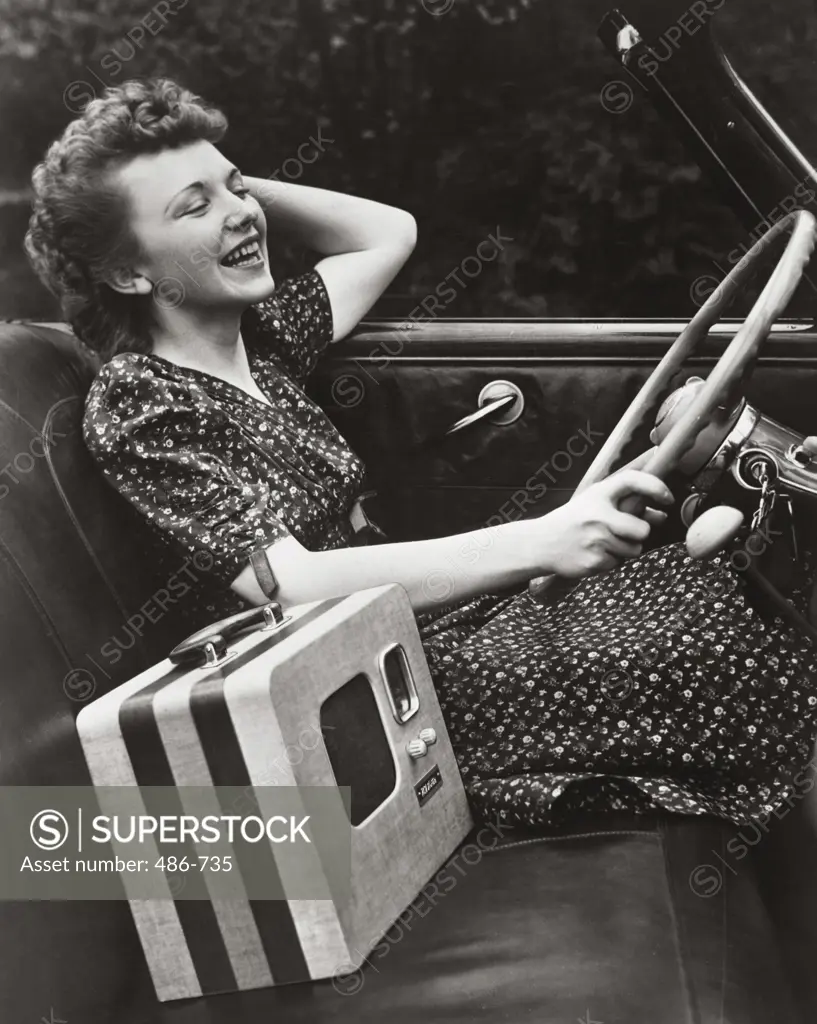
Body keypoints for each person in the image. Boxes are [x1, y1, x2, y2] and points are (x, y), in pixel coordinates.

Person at [25, 77, 817, 829]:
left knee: (717, 578)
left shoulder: (262, 339)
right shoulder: (142, 398)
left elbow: (387, 232)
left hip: (426, 628)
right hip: (348, 698)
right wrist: (539, 539)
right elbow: (289, 584)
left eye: (238, 187)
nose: (239, 213)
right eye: (191, 208)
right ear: (126, 270)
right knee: (719, 645)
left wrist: (218, 188)